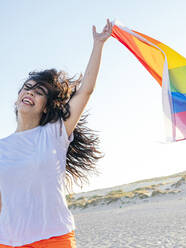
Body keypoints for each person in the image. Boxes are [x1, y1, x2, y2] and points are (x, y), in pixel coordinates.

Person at [0, 19, 113, 247]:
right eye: (27, 87)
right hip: (8, 241)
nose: (30, 92)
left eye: (39, 92)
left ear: (46, 105)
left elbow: (85, 91)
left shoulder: (55, 134)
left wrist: (98, 45)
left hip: (54, 238)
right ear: (18, 96)